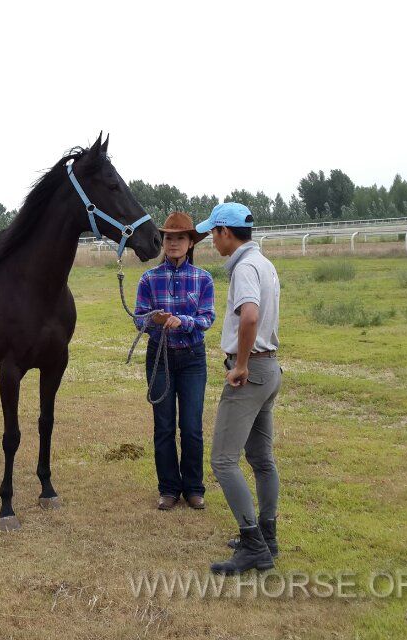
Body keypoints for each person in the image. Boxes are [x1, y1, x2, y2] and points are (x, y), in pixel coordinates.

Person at [194, 202, 282, 574]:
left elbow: (250, 316)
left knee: (223, 461)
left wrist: (241, 364)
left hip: (250, 372)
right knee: (262, 460)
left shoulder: (244, 268)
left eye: (213, 233)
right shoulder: (263, 262)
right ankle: (267, 536)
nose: (212, 240)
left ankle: (253, 546)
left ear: (225, 232)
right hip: (270, 368)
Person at [133, 211, 215, 512]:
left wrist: (183, 321)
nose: (174, 243)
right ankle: (168, 487)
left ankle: (194, 487)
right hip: (160, 356)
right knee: (163, 425)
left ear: (191, 242)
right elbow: (138, 318)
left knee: (192, 426)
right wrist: (153, 319)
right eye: (169, 237)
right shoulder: (148, 278)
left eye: (180, 237)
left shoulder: (203, 278)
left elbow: (207, 318)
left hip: (193, 358)